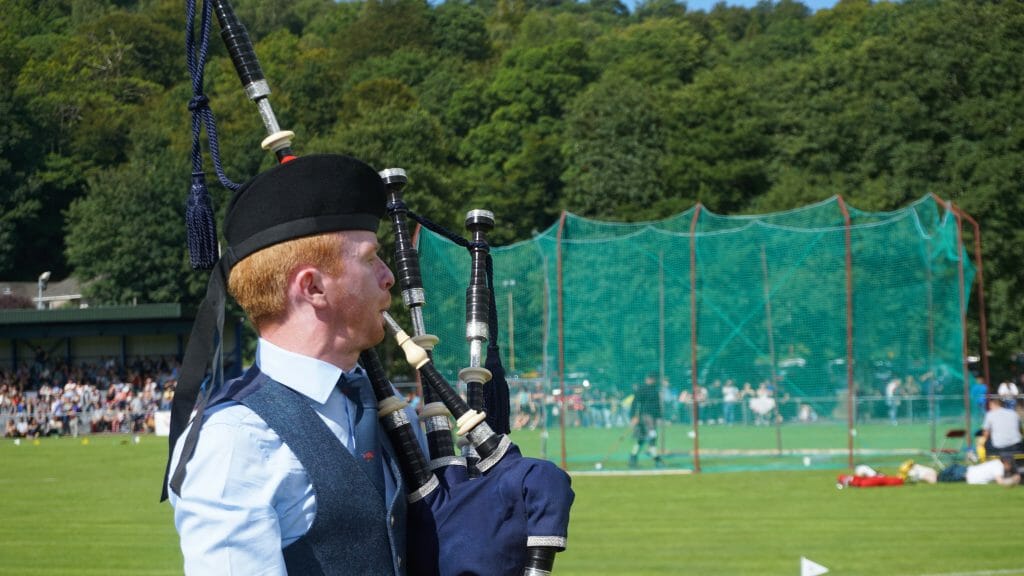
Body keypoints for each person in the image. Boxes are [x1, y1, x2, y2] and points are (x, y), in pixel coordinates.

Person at [164, 154, 415, 575]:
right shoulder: (234, 445)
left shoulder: (388, 409)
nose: (389, 276)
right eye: (371, 258)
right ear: (313, 286)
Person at [629, 372, 663, 468]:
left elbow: (657, 406)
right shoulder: (642, 389)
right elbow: (635, 403)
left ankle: (633, 456)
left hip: (652, 417)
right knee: (651, 437)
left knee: (642, 439)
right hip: (645, 417)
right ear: (647, 379)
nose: (651, 380)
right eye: (650, 378)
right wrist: (633, 416)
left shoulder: (655, 390)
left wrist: (659, 417)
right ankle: (656, 459)